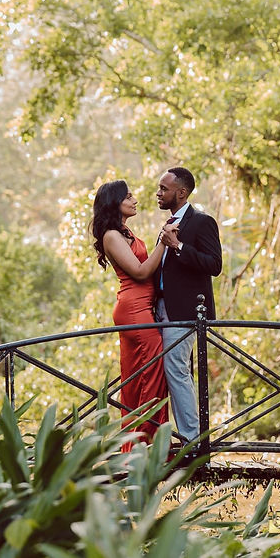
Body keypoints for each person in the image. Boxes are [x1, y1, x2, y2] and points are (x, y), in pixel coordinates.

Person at [91, 179, 169, 444]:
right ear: (115, 203)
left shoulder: (124, 232)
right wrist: (163, 242)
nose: (135, 200)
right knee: (152, 375)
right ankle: (146, 446)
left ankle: (144, 445)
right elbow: (140, 272)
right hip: (133, 309)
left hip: (143, 307)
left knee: (142, 377)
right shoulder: (111, 236)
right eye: (128, 197)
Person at [154, 167, 222, 442]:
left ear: (181, 193)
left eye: (164, 189)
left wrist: (178, 246)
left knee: (176, 369)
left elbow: (214, 265)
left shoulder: (202, 222)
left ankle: (192, 442)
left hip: (185, 310)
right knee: (168, 371)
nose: (158, 193)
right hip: (158, 309)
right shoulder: (168, 223)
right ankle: (170, 438)